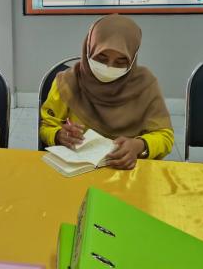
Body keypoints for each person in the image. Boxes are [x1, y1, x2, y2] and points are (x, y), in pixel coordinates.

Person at [39, 14, 174, 170]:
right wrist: (58, 135)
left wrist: (139, 146)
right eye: (101, 58)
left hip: (127, 170)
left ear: (132, 59)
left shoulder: (145, 85)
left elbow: (165, 136)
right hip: (79, 170)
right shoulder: (68, 82)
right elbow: (46, 127)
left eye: (121, 61)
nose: (109, 67)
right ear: (89, 50)